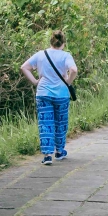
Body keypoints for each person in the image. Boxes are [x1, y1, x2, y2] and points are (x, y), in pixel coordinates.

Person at [20, 29, 78, 165]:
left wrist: (35, 81)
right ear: (63, 43)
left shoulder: (41, 55)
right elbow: (74, 70)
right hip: (61, 94)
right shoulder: (66, 56)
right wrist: (68, 82)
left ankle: (47, 155)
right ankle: (59, 151)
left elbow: (24, 67)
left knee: (45, 123)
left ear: (51, 42)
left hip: (43, 93)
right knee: (60, 123)